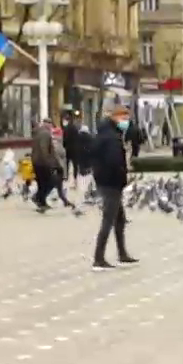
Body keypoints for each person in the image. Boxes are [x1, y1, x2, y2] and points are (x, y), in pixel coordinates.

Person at [90, 109, 136, 270]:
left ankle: (122, 253)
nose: (126, 121)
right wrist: (122, 175)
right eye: (124, 117)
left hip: (105, 181)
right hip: (111, 183)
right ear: (115, 118)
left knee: (119, 219)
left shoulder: (105, 133)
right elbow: (114, 161)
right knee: (108, 219)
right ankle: (98, 257)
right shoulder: (111, 138)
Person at [29, 117, 63, 211]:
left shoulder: (39, 132)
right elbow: (44, 149)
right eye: (50, 124)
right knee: (50, 182)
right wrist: (49, 163)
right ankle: (38, 197)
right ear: (47, 124)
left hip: (36, 161)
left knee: (41, 183)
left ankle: (42, 202)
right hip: (42, 163)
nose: (51, 126)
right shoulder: (45, 133)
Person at [61, 113, 90, 181]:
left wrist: (64, 145)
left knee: (67, 163)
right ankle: (75, 176)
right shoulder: (74, 128)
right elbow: (77, 138)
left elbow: (65, 138)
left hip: (68, 148)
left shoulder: (66, 128)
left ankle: (66, 177)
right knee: (75, 164)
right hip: (75, 148)